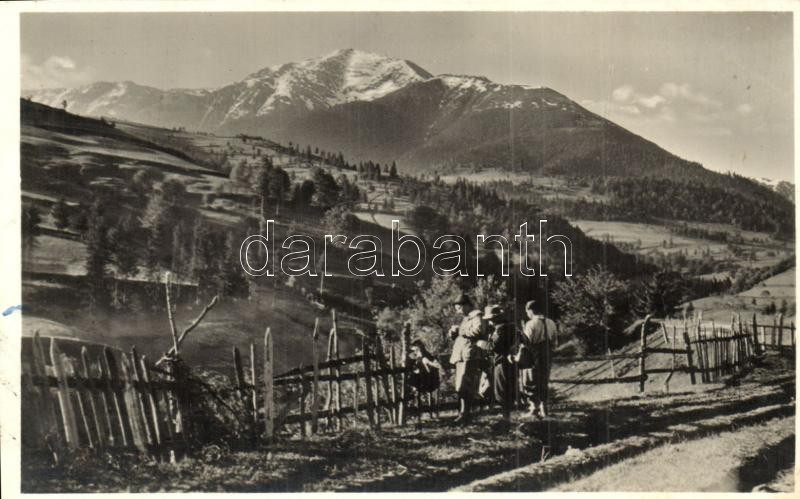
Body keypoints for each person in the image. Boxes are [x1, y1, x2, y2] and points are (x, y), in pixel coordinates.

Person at [517, 299, 557, 418]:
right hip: (547, 354)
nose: (527, 314)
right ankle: (544, 408)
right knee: (544, 381)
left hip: (534, 355)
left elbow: (526, 342)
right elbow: (555, 342)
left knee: (531, 381)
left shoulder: (531, 324)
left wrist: (521, 352)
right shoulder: (551, 322)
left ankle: (534, 407)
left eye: (527, 311)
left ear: (530, 310)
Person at [448, 293, 484, 423]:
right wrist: (454, 333)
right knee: (461, 385)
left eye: (459, 307)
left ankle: (465, 413)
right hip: (462, 355)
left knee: (465, 385)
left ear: (467, 306)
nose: (458, 310)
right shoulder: (466, 318)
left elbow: (478, 331)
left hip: (469, 355)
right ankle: (464, 412)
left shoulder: (476, 316)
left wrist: (461, 332)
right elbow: (462, 335)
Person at [484, 304, 516, 422]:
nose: (489, 322)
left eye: (490, 319)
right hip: (509, 361)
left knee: (502, 389)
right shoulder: (511, 327)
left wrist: (481, 343)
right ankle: (506, 415)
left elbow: (494, 346)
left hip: (501, 361)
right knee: (507, 388)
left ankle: (505, 416)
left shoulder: (500, 329)